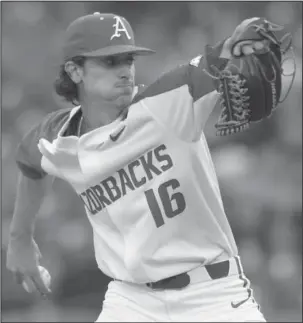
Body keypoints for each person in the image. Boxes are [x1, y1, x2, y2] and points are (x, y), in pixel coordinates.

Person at [6, 12, 267, 322]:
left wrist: (239, 42)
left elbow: (216, 58)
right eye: (110, 61)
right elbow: (31, 163)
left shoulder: (166, 103)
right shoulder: (58, 136)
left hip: (212, 294)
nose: (125, 71)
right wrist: (20, 238)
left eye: (128, 60)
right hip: (131, 301)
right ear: (75, 71)